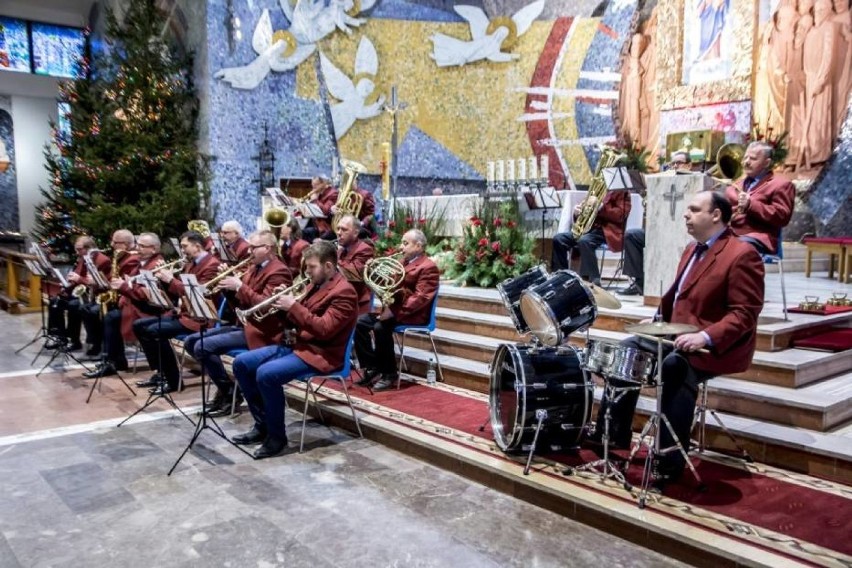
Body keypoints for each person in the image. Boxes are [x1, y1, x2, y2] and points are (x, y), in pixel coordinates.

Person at [596, 191, 764, 487]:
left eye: (695, 209)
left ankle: (668, 461)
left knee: (675, 367)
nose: (686, 214)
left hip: (717, 347)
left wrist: (705, 336)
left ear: (716, 215)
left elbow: (744, 315)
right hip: (678, 334)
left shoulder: (742, 254)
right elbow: (677, 296)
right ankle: (612, 437)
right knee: (627, 351)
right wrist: (659, 319)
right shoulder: (691, 249)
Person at [231, 241, 358, 459]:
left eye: (311, 267)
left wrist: (294, 306)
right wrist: (281, 306)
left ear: (328, 266)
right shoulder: (313, 285)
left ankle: (276, 438)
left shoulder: (344, 292)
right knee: (241, 363)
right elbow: (294, 321)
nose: (306, 272)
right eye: (306, 267)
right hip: (297, 345)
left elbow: (324, 329)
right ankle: (262, 426)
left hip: (321, 353)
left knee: (266, 374)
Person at [182, 230, 292, 416]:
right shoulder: (253, 268)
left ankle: (228, 393)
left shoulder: (278, 271)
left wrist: (240, 286)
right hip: (244, 324)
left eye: (253, 248)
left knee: (202, 346)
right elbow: (240, 305)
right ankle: (228, 390)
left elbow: (264, 306)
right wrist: (228, 289)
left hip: (263, 331)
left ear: (268, 248)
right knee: (190, 342)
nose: (249, 251)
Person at [132, 231, 221, 393]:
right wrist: (163, 281)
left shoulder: (212, 264)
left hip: (200, 318)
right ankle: (160, 372)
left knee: (155, 331)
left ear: (197, 246)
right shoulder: (190, 262)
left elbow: (198, 293)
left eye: (184, 246)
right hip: (184, 313)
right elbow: (176, 293)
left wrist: (171, 280)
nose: (182, 250)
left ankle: (173, 381)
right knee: (139, 325)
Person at [354, 229, 440, 391]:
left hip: (413, 314)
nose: (401, 247)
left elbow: (420, 298)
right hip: (394, 309)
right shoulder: (403, 262)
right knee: (360, 322)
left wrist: (393, 312)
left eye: (405, 243)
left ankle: (389, 374)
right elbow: (388, 284)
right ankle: (373, 367)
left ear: (419, 246)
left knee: (380, 328)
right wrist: (372, 269)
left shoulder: (428, 267)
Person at [618, 151, 692, 295]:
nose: (675, 166)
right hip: (661, 230)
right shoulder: (663, 182)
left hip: (683, 232)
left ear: (689, 165)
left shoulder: (695, 182)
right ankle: (639, 282)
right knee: (632, 235)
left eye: (679, 163)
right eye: (673, 163)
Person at [80, 230, 143, 378]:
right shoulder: (121, 256)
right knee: (96, 311)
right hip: (121, 298)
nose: (111, 244)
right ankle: (112, 358)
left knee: (109, 317)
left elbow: (126, 284)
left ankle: (111, 359)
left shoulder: (132, 259)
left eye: (115, 242)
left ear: (126, 244)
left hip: (131, 303)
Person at [724, 141, 795, 254]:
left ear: (767, 163)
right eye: (745, 157)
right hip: (731, 232)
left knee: (735, 246)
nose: (746, 162)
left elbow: (782, 217)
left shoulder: (782, 184)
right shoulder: (735, 184)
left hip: (758, 237)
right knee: (700, 244)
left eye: (753, 159)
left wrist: (751, 205)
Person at [551, 188, 632, 286]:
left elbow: (620, 215)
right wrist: (578, 212)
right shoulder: (598, 189)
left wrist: (602, 208)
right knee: (559, 239)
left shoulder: (623, 192)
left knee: (584, 240)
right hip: (589, 229)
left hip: (607, 231)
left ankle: (593, 279)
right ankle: (561, 277)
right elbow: (586, 210)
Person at [47, 236, 111, 354]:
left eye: (79, 249)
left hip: (94, 295)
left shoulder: (102, 260)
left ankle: (78, 341)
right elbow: (77, 277)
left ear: (89, 248)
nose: (77, 252)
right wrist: (67, 284)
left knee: (74, 306)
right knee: (55, 302)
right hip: (81, 292)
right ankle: (60, 337)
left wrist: (79, 279)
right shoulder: (83, 258)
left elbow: (99, 283)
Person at [336, 215, 375, 315]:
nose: (339, 233)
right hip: (340, 298)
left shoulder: (365, 249)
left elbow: (352, 274)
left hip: (356, 303)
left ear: (356, 233)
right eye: (338, 228)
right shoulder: (340, 250)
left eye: (344, 229)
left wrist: (330, 260)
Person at [301, 176, 338, 242]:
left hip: (327, 228)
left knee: (307, 234)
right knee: (302, 232)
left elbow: (326, 211)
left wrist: (315, 200)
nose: (313, 189)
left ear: (324, 183)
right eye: (312, 186)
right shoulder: (319, 193)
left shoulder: (333, 193)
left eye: (315, 186)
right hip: (317, 225)